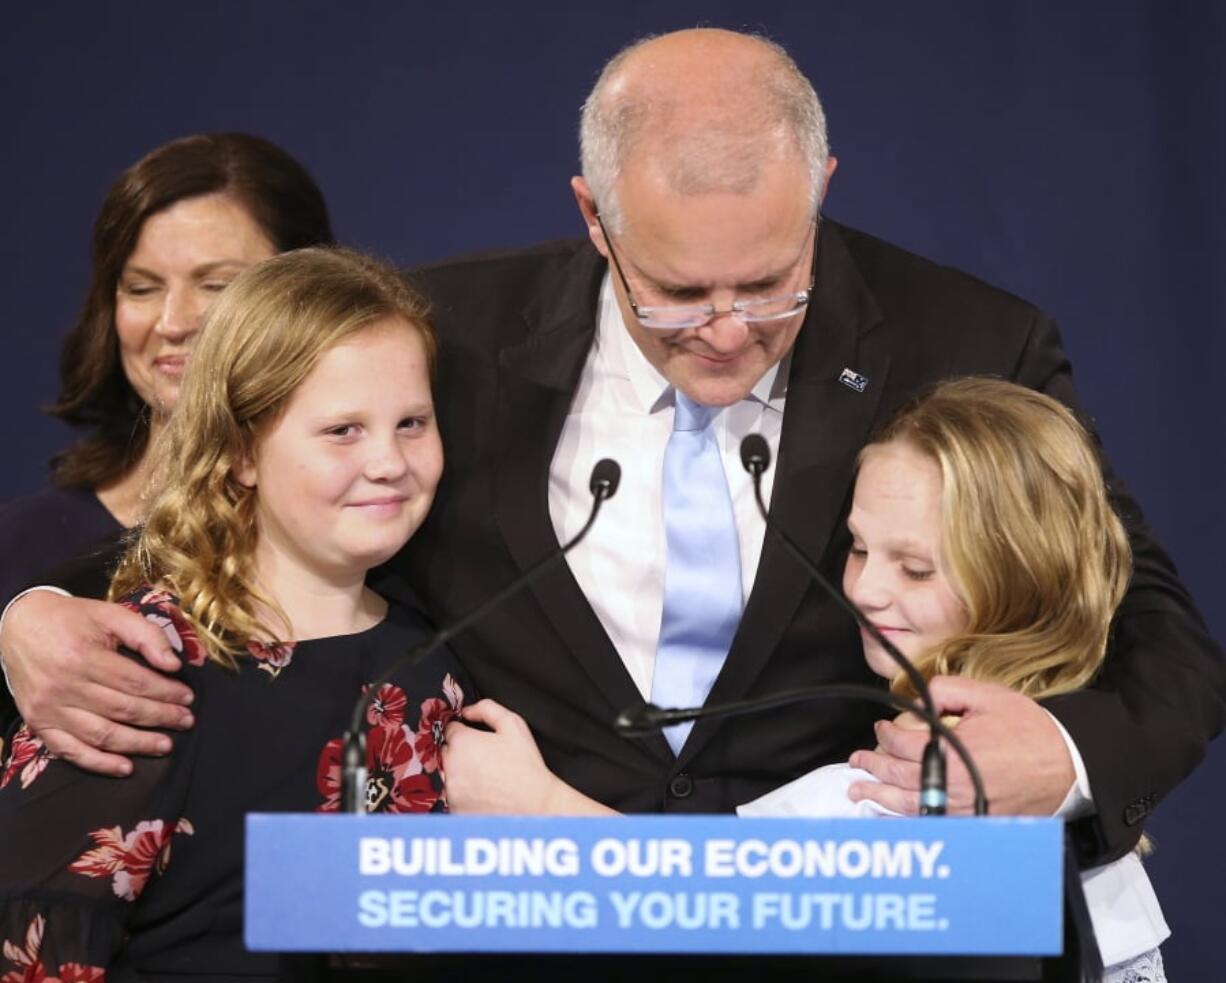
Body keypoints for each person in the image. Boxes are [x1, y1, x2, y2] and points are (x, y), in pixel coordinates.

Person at [2, 30, 1223, 868]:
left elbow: (1164, 639)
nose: (731, 330)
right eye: (679, 292)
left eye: (772, 281)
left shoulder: (971, 338)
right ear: (593, 218)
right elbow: (239, 534)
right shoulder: (441, 334)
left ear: (821, 187)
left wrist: (1055, 752)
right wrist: (29, 610)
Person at [0, 248, 467, 979]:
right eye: (343, 429)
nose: (389, 461)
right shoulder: (143, 671)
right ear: (242, 450)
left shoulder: (433, 653)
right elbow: (32, 947)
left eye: (412, 421)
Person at [731, 377, 1169, 981]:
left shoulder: (854, 811)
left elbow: (631, 908)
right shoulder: (1097, 834)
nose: (863, 592)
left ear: (1019, 579)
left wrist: (545, 797)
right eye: (858, 548)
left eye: (915, 569)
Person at [0, 132, 333, 726]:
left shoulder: (367, 532)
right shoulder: (22, 547)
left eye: (218, 285)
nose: (173, 322)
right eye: (141, 287)